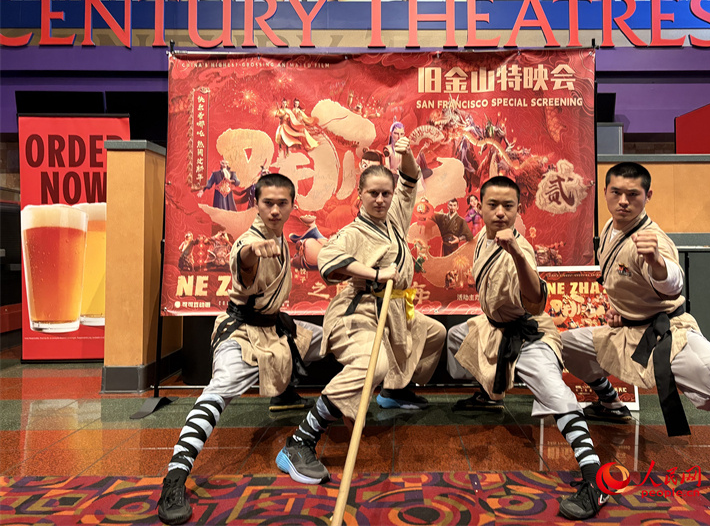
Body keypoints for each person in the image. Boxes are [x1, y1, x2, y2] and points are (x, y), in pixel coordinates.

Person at [560, 162, 710, 526]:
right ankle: (610, 404)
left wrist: (656, 260)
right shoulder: (609, 229)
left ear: (648, 196)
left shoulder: (654, 239)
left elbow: (672, 281)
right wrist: (619, 311)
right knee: (567, 344)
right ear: (605, 193)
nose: (623, 201)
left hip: (668, 336)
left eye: (633, 195)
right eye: (616, 193)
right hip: (627, 332)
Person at [275, 135, 446, 485]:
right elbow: (327, 259)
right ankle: (300, 441)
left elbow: (410, 178)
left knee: (434, 333)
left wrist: (407, 154)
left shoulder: (394, 218)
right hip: (357, 311)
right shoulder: (353, 232)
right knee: (373, 365)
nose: (381, 199)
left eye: (386, 193)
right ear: (361, 196)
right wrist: (376, 274)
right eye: (373, 194)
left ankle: (393, 391)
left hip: (394, 309)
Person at [157, 174, 324, 525]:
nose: (275, 210)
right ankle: (174, 477)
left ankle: (285, 396)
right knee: (217, 393)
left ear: (291, 205)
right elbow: (244, 260)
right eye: (268, 203)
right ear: (256, 205)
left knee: (331, 338)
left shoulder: (282, 240)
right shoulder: (251, 241)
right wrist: (251, 252)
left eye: (282, 203)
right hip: (242, 334)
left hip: (274, 328)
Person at [446, 176, 607, 521]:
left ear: (519, 209)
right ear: (480, 207)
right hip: (495, 326)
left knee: (554, 392)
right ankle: (490, 395)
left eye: (508, 206)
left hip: (530, 334)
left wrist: (517, 254)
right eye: (493, 205)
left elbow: (534, 300)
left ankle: (594, 477)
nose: (500, 213)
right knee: (458, 337)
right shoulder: (483, 239)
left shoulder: (520, 249)